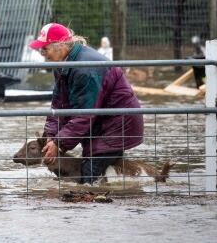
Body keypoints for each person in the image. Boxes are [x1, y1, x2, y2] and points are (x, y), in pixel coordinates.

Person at [29, 23, 143, 184]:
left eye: (45, 48)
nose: (42, 54)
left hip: (115, 126)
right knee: (103, 175)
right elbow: (58, 105)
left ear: (60, 46)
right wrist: (50, 137)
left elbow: (83, 114)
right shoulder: (61, 65)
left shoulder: (84, 69)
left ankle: (100, 204)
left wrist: (58, 143)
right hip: (102, 124)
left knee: (88, 178)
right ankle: (120, 197)